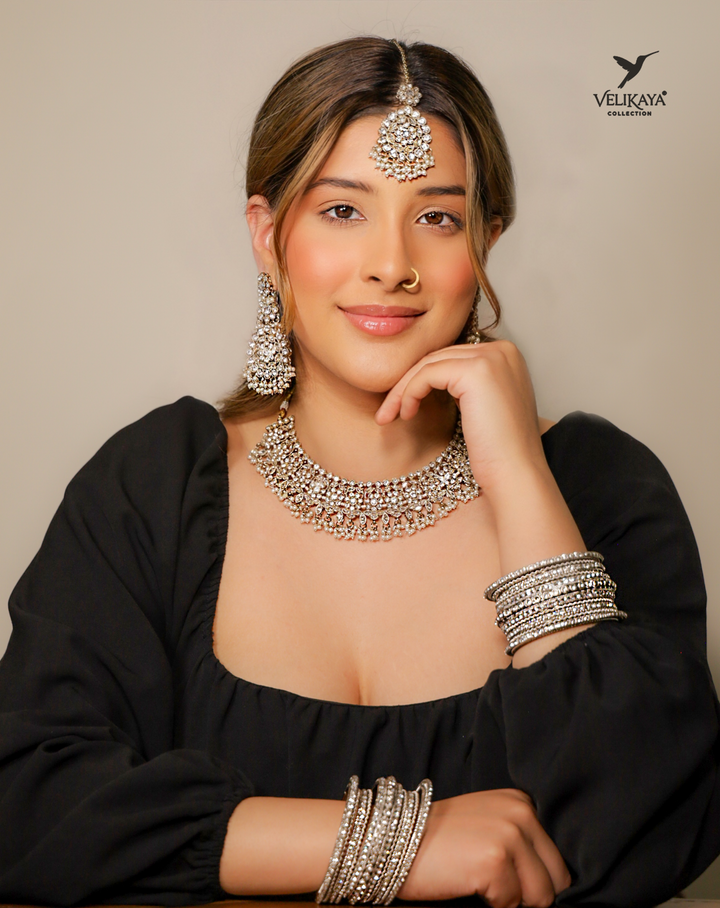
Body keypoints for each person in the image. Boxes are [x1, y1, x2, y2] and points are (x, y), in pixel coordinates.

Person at [1, 34, 719, 908]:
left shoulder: (597, 485)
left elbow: (653, 823)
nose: (391, 264)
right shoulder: (153, 487)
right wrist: (399, 842)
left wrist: (520, 478)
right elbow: (28, 803)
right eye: (343, 210)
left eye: (439, 216)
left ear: (487, 245)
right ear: (270, 238)